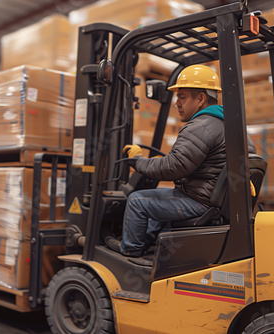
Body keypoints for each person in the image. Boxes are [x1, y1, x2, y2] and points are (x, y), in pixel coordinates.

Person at [106, 64, 256, 257]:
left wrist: (137, 161)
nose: (177, 103)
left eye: (182, 97)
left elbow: (173, 167)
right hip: (214, 200)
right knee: (161, 196)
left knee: (137, 201)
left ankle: (130, 253)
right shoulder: (229, 124)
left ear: (201, 98)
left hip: (200, 201)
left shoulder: (201, 126)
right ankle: (149, 245)